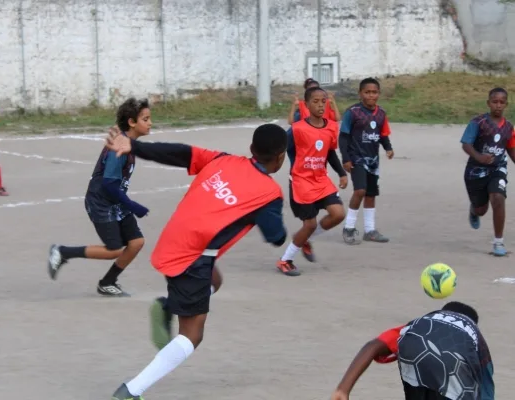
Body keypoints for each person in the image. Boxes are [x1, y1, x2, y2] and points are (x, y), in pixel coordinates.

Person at [106, 123, 288, 400]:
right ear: (281, 157)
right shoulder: (269, 195)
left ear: (251, 149)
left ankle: (168, 307)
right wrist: (270, 214)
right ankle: (131, 391)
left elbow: (180, 153)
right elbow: (276, 237)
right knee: (192, 335)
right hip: (191, 259)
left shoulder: (223, 159)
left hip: (173, 240)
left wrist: (135, 146)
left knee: (215, 280)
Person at [47, 98, 151, 297]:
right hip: (102, 202)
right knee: (114, 249)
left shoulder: (126, 142)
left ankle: (108, 282)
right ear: (132, 122)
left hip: (116, 200)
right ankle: (63, 252)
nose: (150, 123)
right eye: (145, 119)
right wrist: (133, 205)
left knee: (136, 242)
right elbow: (109, 184)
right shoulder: (118, 150)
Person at [330, 301, 494, 400]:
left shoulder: (421, 323)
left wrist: (342, 389)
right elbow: (486, 390)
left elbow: (372, 346)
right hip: (457, 360)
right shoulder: (476, 338)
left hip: (414, 347)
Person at [277, 87, 347, 276]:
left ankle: (306, 239)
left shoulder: (331, 126)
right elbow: (281, 148)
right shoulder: (297, 129)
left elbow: (330, 152)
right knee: (309, 224)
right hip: (302, 182)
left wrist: (341, 172)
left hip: (321, 180)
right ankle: (285, 260)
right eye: (315, 101)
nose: (320, 105)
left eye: (323, 101)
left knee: (338, 214)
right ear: (306, 105)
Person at [339, 77, 394, 245]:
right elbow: (343, 137)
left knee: (371, 194)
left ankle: (369, 230)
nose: (371, 95)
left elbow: (383, 134)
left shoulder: (381, 114)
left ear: (379, 94)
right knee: (360, 191)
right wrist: (346, 159)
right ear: (360, 93)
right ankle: (348, 227)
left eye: (374, 92)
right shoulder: (353, 112)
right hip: (357, 158)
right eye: (367, 92)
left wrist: (388, 148)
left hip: (373, 161)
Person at [461, 87, 515, 256]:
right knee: (481, 210)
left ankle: (498, 242)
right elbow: (466, 144)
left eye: (502, 102)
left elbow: (511, 150)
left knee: (498, 198)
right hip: (475, 172)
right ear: (488, 103)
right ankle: (474, 210)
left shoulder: (508, 127)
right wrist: (479, 156)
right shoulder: (478, 123)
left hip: (497, 169)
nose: (498, 105)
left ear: (506, 104)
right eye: (494, 102)